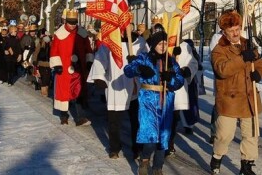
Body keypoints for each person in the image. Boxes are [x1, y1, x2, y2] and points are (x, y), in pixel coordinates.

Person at [209, 10, 262, 175]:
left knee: (251, 135)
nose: (235, 33)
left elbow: (261, 63)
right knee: (224, 135)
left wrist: (259, 73)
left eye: (237, 28)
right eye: (231, 30)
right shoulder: (219, 49)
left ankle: (246, 165)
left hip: (249, 98)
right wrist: (242, 59)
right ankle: (217, 156)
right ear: (224, 32)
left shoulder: (248, 44)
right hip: (229, 99)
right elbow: (222, 70)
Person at [124, 31, 185, 175]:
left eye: (165, 43)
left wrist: (170, 79)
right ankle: (144, 159)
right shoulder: (144, 58)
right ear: (153, 45)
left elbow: (180, 81)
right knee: (150, 136)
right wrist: (139, 69)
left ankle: (158, 167)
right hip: (148, 101)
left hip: (166, 101)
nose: (163, 46)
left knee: (163, 138)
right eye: (159, 44)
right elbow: (128, 70)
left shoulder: (171, 61)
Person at [89, 27, 148, 160]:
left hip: (134, 87)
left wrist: (140, 64)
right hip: (115, 85)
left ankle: (137, 148)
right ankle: (114, 147)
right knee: (114, 121)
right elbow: (100, 59)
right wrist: (99, 76)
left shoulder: (139, 43)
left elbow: (148, 59)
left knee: (137, 120)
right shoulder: (110, 43)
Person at [49, 9, 93, 126]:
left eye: (74, 22)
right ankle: (64, 116)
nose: (72, 25)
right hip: (64, 68)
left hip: (78, 68)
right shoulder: (59, 34)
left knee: (78, 91)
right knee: (64, 92)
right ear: (65, 21)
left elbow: (88, 48)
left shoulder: (82, 33)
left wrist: (89, 60)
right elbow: (54, 50)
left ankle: (80, 117)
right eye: (70, 22)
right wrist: (56, 64)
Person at [167, 40, 198, 157]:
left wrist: (187, 70)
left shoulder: (185, 46)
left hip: (178, 88)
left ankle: (169, 144)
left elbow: (193, 62)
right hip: (163, 88)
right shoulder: (163, 42)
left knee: (174, 119)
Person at [34, 31, 51, 96]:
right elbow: (36, 53)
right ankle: (44, 93)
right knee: (44, 78)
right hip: (41, 63)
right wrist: (35, 61)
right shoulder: (40, 44)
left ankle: (46, 91)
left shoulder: (51, 44)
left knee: (48, 78)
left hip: (49, 63)